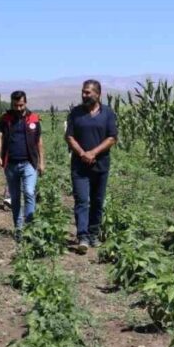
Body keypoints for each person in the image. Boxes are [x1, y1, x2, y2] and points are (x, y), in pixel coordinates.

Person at [65, 79, 118, 254]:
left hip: (100, 165)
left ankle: (93, 233)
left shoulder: (108, 113)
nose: (84, 95)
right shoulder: (76, 113)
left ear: (98, 94)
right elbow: (69, 137)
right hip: (79, 166)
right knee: (82, 200)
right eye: (83, 91)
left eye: (88, 92)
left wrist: (93, 153)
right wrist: (82, 153)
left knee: (97, 201)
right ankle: (83, 236)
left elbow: (112, 137)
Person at [0, 91, 44, 239]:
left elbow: (39, 142)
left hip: (29, 162)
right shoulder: (5, 119)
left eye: (21, 105)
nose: (18, 108)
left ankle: (29, 227)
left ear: (25, 103)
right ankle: (19, 228)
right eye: (15, 105)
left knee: (29, 192)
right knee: (15, 197)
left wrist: (42, 162)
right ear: (12, 104)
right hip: (11, 164)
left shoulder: (33, 118)